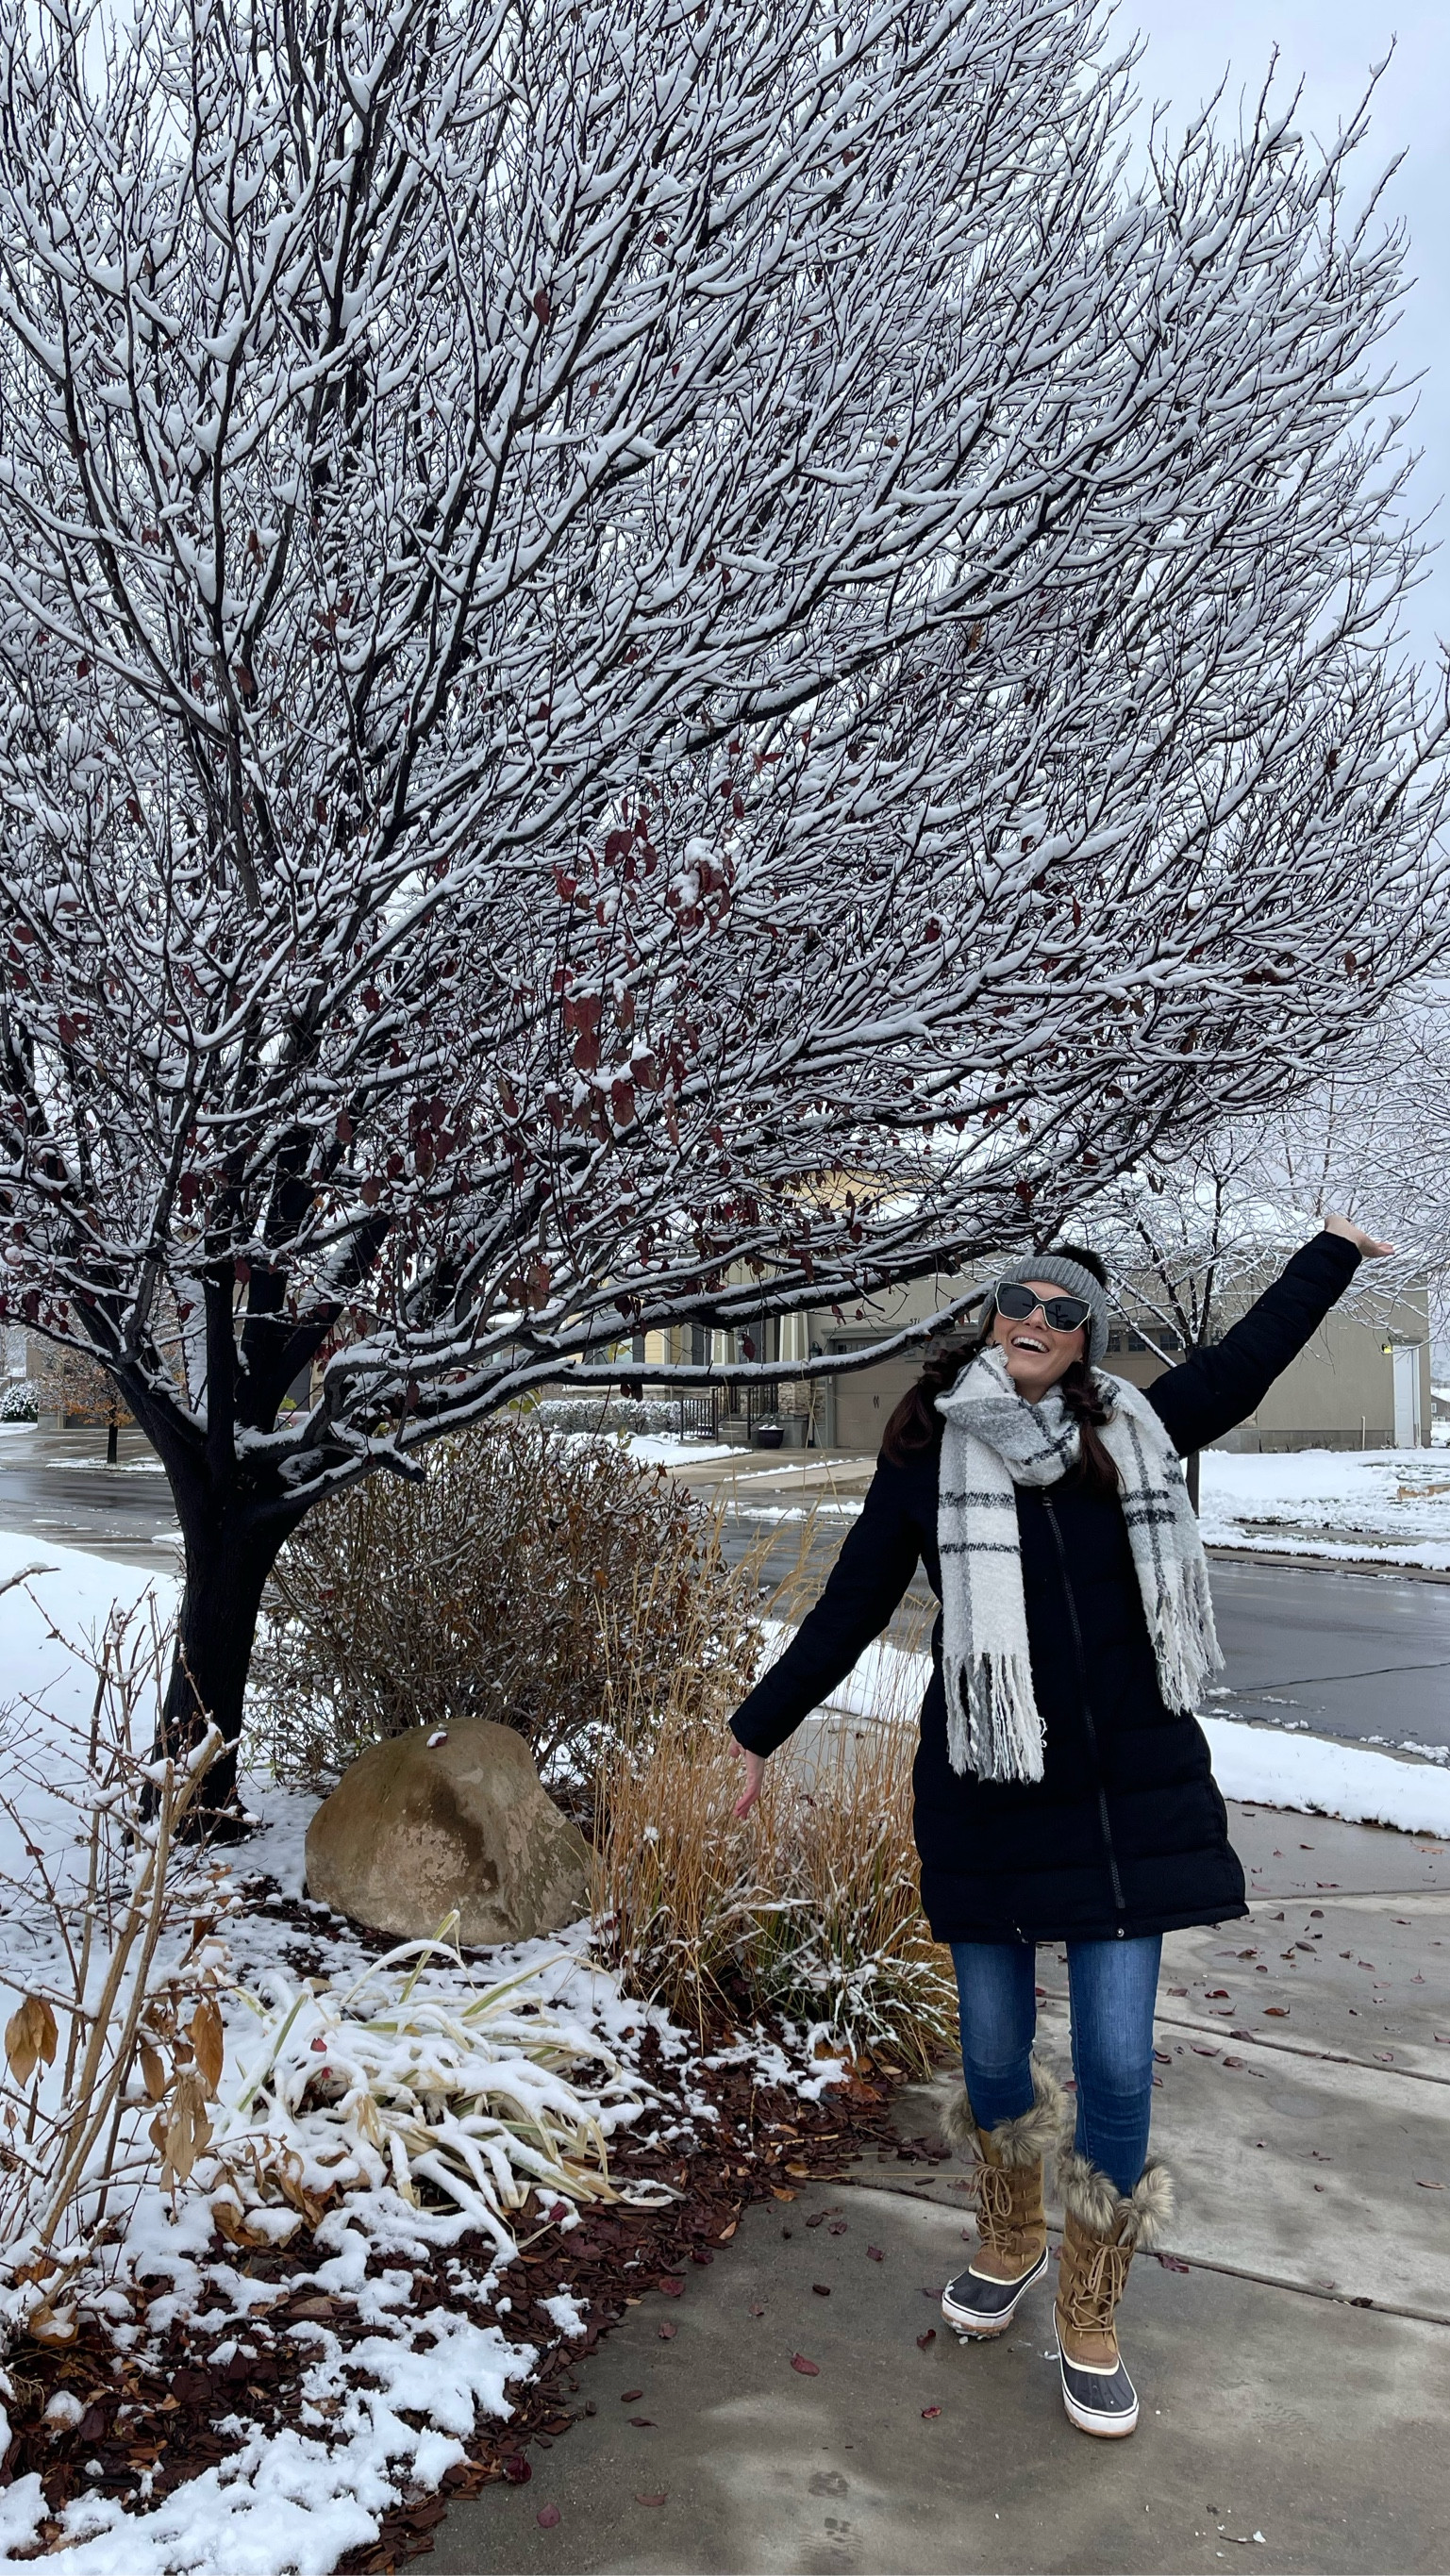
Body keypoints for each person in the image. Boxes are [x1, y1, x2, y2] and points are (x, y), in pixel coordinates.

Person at [727, 1216, 1391, 2438]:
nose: (1031, 1319)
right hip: (985, 1792)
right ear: (992, 1313)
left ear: (1086, 1335)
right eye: (1013, 1300)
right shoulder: (926, 1452)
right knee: (989, 2059)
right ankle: (1009, 2233)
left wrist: (1327, 1253)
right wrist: (751, 1735)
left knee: (1116, 2065)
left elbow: (1242, 1363)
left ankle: (1090, 2307)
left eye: (1060, 1307)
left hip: (1126, 1801)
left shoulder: (1133, 1429)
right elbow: (846, 1604)